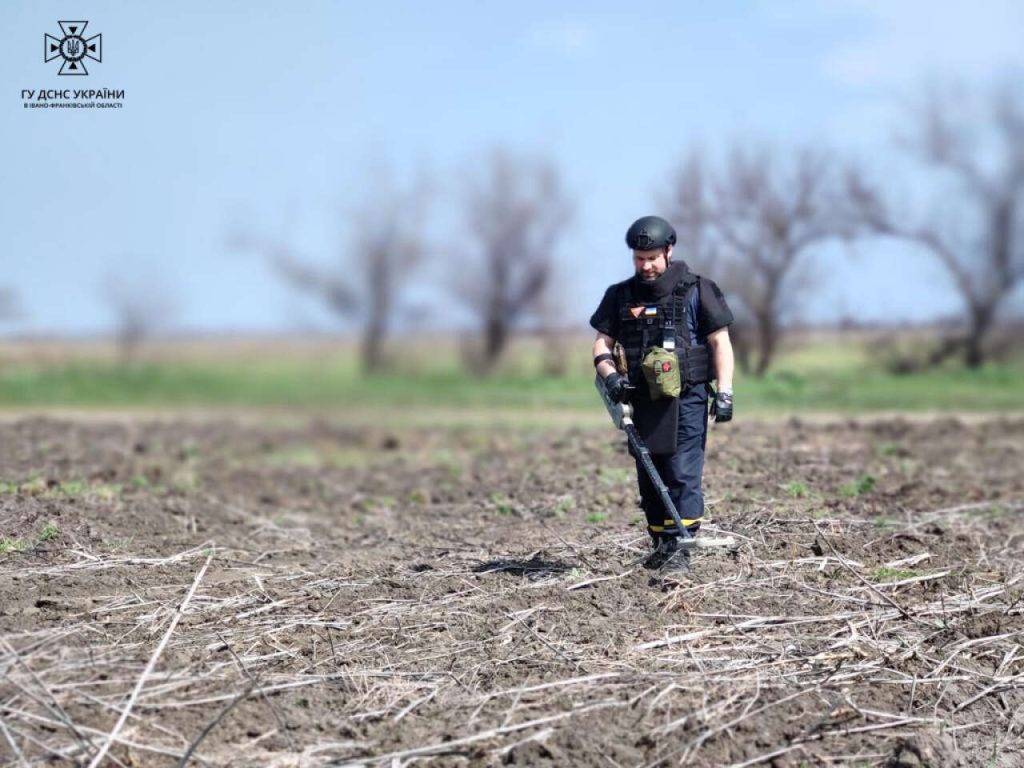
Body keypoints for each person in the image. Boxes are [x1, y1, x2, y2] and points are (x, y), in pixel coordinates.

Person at [590, 215, 735, 571]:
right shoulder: (620, 295)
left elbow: (721, 343)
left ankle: (681, 547)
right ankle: (661, 544)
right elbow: (601, 344)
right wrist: (610, 377)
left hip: (688, 396)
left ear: (668, 251)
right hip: (640, 397)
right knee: (649, 470)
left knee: (681, 470)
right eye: (639, 258)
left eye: (652, 257)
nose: (646, 265)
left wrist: (726, 391)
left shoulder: (698, 289)